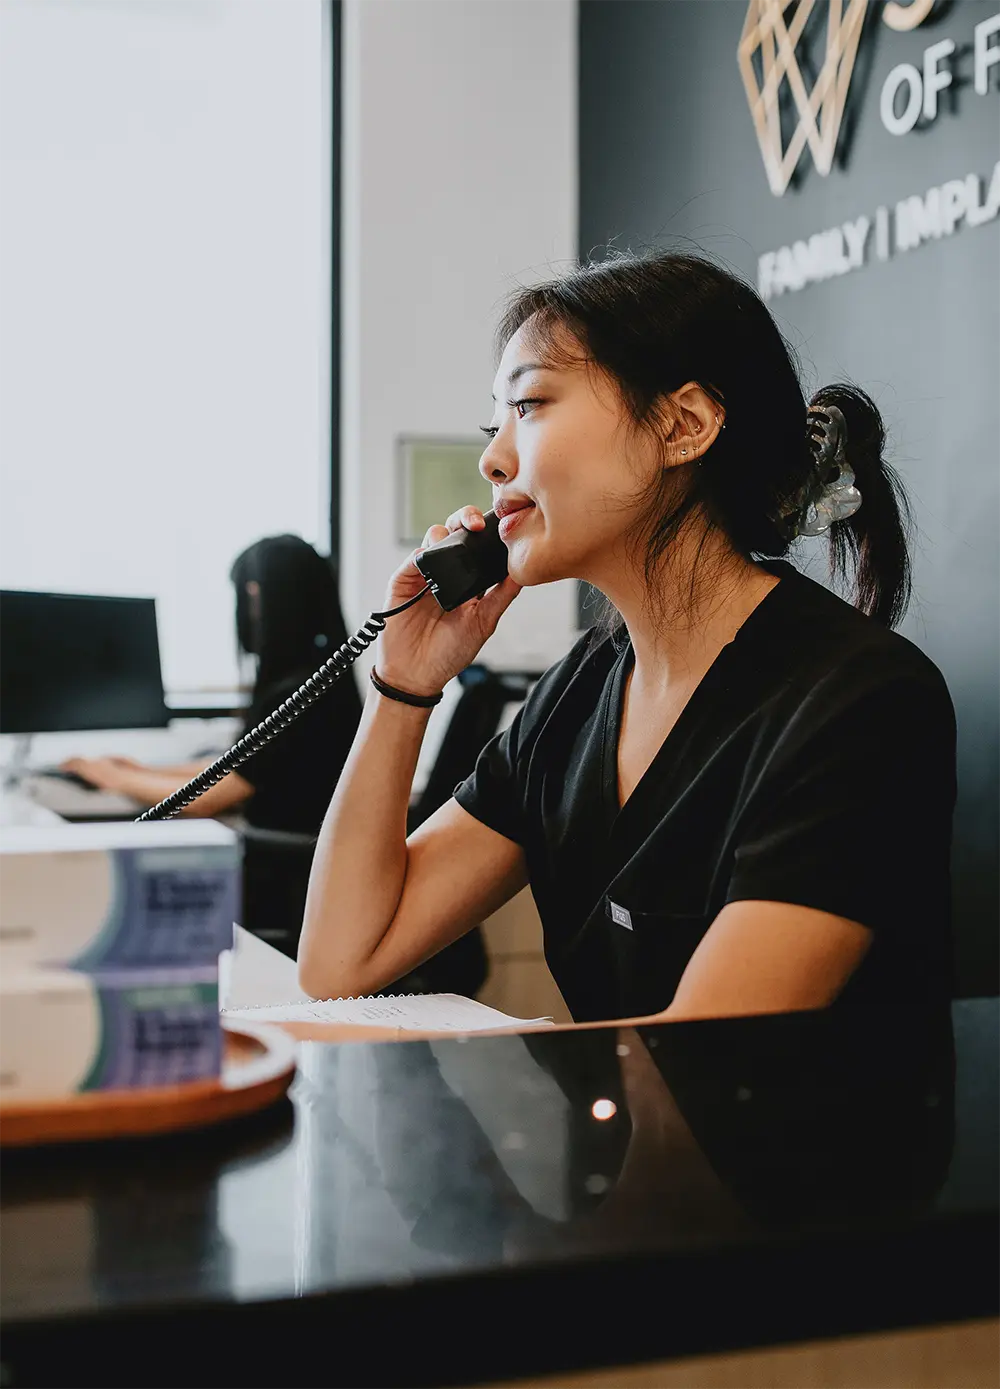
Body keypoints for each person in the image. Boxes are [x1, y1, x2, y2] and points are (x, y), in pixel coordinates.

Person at [297, 248, 957, 1028]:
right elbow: (341, 961)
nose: (493, 457)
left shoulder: (859, 700)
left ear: (683, 425)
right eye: (495, 422)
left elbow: (698, 1067)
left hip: (784, 1152)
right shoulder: (576, 693)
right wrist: (403, 686)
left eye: (531, 405)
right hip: (621, 1149)